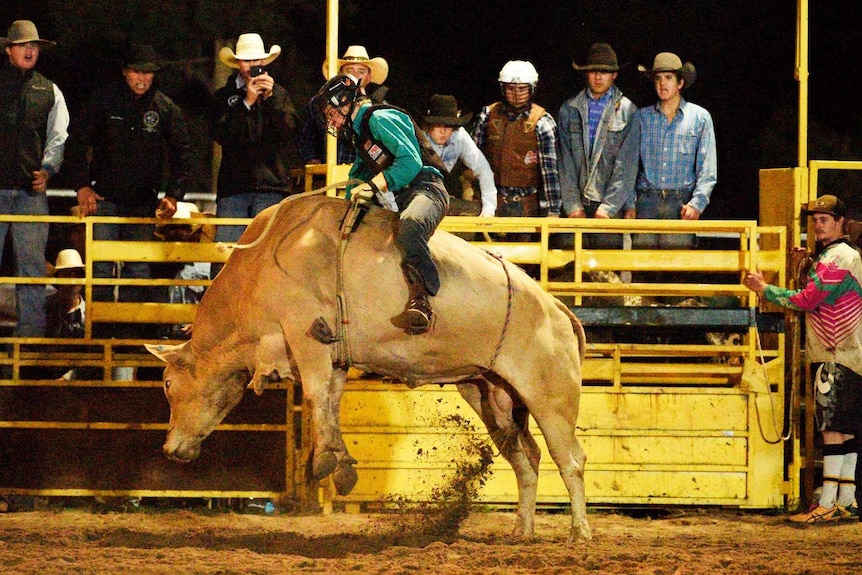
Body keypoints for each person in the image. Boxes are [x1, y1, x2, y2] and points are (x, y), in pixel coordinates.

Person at [744, 194, 860, 523]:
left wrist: (764, 288)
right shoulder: (842, 256)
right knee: (846, 429)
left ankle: (825, 501)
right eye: (815, 220)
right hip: (849, 353)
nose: (818, 225)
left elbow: (809, 299)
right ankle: (846, 498)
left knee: (832, 428)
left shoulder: (836, 257)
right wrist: (808, 264)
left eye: (825, 219)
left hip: (834, 353)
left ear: (840, 223)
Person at [64, 43, 194, 337]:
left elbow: (183, 152)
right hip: (104, 198)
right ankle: (99, 333)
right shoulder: (104, 101)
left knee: (138, 269)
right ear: (125, 73)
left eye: (148, 73)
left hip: (142, 202)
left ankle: (130, 335)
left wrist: (174, 194)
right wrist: (81, 186)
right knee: (100, 268)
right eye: (137, 71)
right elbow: (76, 142)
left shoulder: (164, 108)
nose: (142, 78)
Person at [313, 74, 448, 334]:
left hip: (427, 189)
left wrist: (373, 186)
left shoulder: (379, 119)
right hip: (403, 196)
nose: (330, 120)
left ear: (346, 102)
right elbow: (358, 174)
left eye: (332, 113)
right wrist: (350, 201)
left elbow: (411, 163)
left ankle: (424, 297)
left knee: (411, 224)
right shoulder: (361, 133)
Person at [0, 20, 69, 337]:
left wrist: (48, 170)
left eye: (34, 46)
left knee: (32, 269)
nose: (29, 50)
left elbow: (58, 136)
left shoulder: (49, 90)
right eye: (23, 45)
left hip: (30, 191)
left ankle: (29, 343)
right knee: (29, 268)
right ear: (8, 49)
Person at [212, 32, 299, 276]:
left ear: (264, 62)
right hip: (234, 188)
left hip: (271, 187)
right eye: (247, 61)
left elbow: (288, 132)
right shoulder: (223, 97)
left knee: (269, 257)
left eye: (257, 60)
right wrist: (247, 103)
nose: (253, 65)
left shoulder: (279, 94)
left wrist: (269, 99)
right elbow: (221, 134)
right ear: (238, 63)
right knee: (225, 257)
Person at [632, 52, 717, 250]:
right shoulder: (642, 118)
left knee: (677, 268)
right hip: (647, 200)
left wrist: (697, 203)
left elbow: (708, 167)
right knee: (642, 267)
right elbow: (630, 164)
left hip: (680, 201)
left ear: (680, 83)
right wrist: (630, 202)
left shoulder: (699, 118)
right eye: (658, 78)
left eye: (669, 78)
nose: (663, 84)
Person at [559, 43, 638, 249]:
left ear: (614, 75)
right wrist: (572, 205)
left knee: (606, 271)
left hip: (609, 205)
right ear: (586, 74)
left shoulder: (628, 111)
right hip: (577, 203)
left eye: (604, 72)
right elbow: (564, 161)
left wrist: (609, 207)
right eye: (594, 71)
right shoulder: (569, 109)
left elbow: (626, 165)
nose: (598, 77)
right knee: (569, 266)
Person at [472, 60, 562, 225]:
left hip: (527, 203)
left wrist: (553, 210)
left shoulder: (542, 122)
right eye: (510, 88)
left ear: (532, 89)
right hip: (491, 201)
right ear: (503, 88)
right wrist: (471, 192)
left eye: (522, 89)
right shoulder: (488, 116)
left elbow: (550, 172)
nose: (516, 93)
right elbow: (473, 160)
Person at [298, 45, 389, 166]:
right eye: (350, 70)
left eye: (361, 71)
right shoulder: (319, 103)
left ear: (369, 76)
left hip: (365, 179)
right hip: (325, 177)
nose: (355, 75)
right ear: (340, 74)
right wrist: (311, 159)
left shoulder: (379, 108)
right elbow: (304, 137)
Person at [420, 94, 496, 217]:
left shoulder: (459, 136)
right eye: (438, 125)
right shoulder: (416, 137)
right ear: (428, 125)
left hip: (443, 195)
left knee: (475, 209)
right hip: (415, 196)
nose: (443, 131)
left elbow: (483, 169)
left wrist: (489, 209)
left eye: (448, 126)